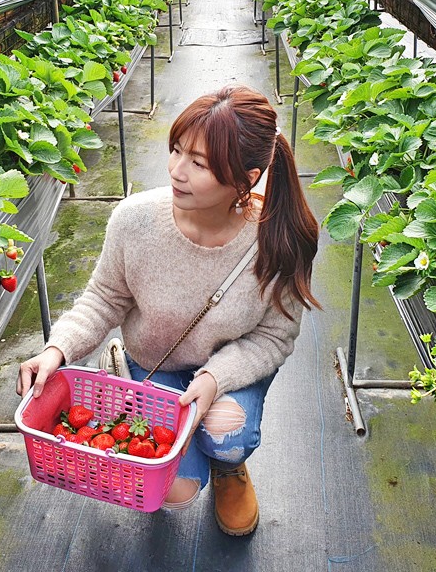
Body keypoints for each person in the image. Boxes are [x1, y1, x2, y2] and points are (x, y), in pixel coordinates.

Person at [17, 85, 320, 536]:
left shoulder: (280, 241)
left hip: (227, 373)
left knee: (225, 433)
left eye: (199, 163)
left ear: (245, 178)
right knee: (171, 493)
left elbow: (274, 337)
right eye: (176, 150)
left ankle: (228, 470)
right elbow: (104, 298)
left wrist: (216, 378)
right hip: (158, 359)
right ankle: (129, 373)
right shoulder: (134, 220)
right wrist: (57, 350)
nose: (177, 171)